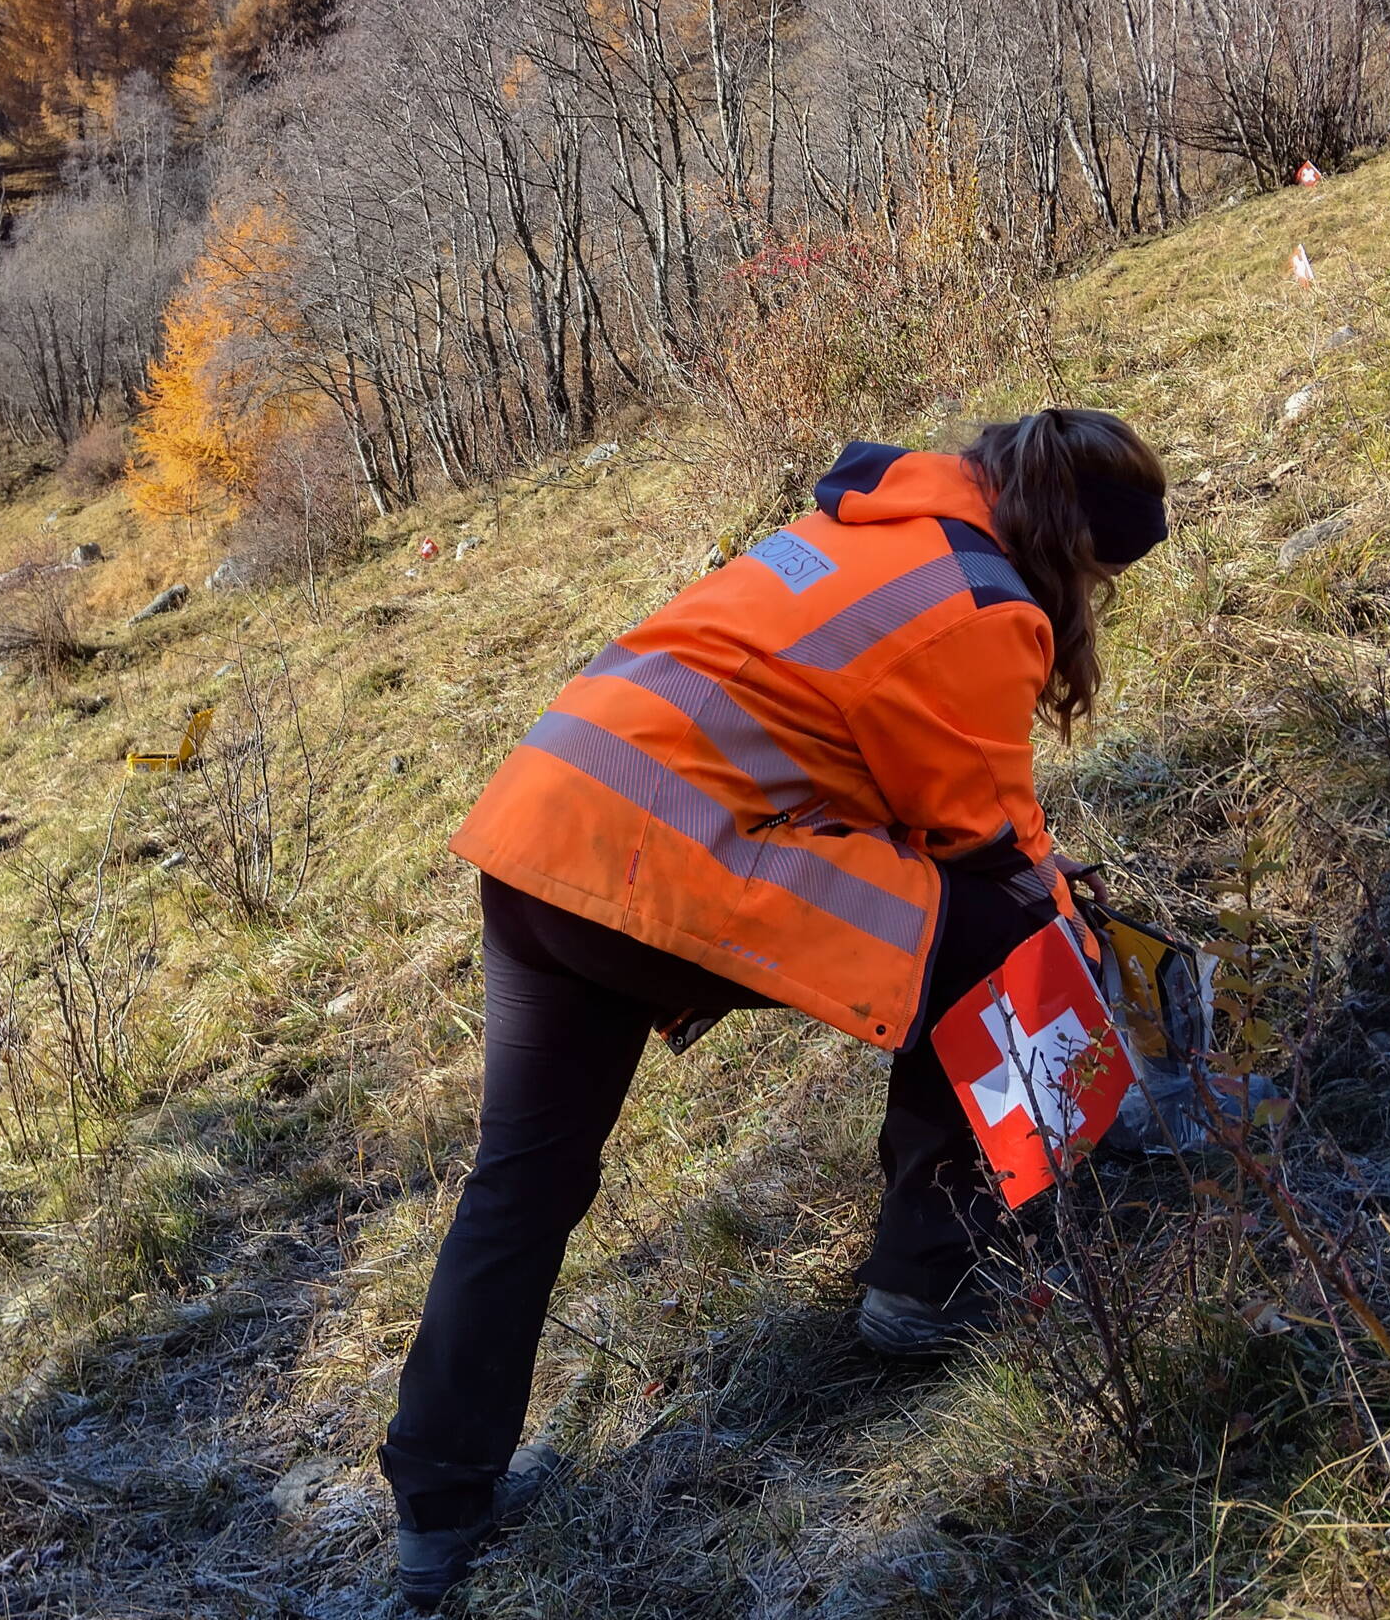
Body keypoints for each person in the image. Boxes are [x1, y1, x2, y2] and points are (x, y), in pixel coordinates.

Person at [381, 409, 1169, 1608]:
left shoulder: (865, 520)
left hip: (544, 822)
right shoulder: (983, 600)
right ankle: (930, 1281)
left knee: (522, 1179)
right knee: (1001, 934)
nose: (1095, 605)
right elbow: (987, 840)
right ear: (1073, 544)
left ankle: (438, 1507)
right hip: (656, 855)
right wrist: (1071, 915)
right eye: (1104, 579)